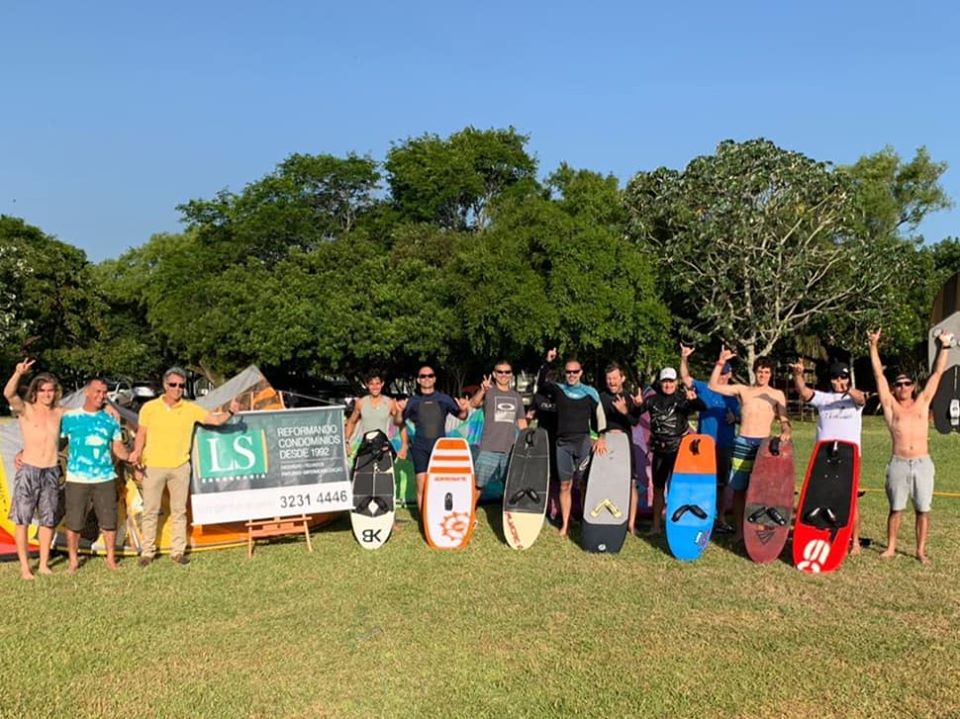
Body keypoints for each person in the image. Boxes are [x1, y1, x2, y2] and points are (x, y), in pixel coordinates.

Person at [128, 367, 239, 567]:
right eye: (173, 385)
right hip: (152, 466)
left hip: (180, 467)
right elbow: (141, 434)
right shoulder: (149, 408)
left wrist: (230, 412)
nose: (177, 389)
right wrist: (137, 453)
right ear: (165, 385)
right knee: (150, 511)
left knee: (179, 511)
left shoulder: (190, 408)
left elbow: (215, 420)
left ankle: (178, 552)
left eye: (181, 385)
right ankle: (147, 552)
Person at [869, 328, 953, 564]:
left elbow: (937, 374)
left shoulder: (923, 403)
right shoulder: (891, 407)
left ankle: (920, 551)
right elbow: (878, 376)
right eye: (899, 384)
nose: (903, 387)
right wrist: (873, 346)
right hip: (898, 463)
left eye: (907, 384)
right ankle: (891, 547)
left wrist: (945, 346)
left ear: (913, 386)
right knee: (896, 509)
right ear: (894, 388)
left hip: (922, 463)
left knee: (923, 510)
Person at [708, 346, 791, 544]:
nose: (763, 375)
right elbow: (713, 386)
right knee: (739, 489)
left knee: (763, 490)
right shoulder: (744, 390)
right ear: (754, 372)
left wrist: (786, 430)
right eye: (760, 371)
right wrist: (721, 362)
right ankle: (739, 531)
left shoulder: (777, 394)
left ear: (771, 374)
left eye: (766, 372)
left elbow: (784, 420)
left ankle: (760, 530)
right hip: (743, 442)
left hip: (764, 446)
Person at [790, 359, 866, 553]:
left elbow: (861, 399)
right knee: (820, 496)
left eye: (843, 377)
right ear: (830, 379)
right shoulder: (823, 399)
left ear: (848, 379)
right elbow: (804, 392)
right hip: (824, 455)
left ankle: (855, 542)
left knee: (850, 500)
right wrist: (798, 375)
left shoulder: (854, 399)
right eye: (835, 377)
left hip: (849, 456)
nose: (839, 381)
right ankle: (819, 535)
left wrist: (847, 389)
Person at [60, 377, 131, 573]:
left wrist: (132, 458)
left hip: (105, 478)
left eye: (104, 392)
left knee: (109, 522)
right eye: (97, 391)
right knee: (74, 522)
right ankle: (73, 561)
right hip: (77, 479)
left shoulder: (111, 419)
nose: (101, 396)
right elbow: (53, 441)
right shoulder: (70, 417)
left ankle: (111, 560)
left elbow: (118, 448)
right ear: (86, 392)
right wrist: (23, 453)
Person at [536, 349, 607, 537]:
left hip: (582, 443)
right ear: (565, 373)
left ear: (581, 373)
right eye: (568, 372)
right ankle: (565, 524)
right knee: (564, 485)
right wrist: (548, 362)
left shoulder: (590, 392)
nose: (572, 375)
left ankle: (586, 521)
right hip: (563, 445)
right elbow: (541, 385)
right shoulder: (559, 389)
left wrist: (601, 436)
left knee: (584, 485)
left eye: (575, 371)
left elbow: (600, 415)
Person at [3, 360, 63, 580]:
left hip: (51, 471)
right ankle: (25, 568)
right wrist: (18, 373)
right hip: (29, 470)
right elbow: (9, 394)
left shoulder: (60, 413)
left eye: (50, 390)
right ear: (35, 392)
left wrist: (109, 409)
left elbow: (86, 412)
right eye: (42, 390)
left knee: (48, 520)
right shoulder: (26, 409)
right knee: (23, 520)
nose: (47, 394)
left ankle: (44, 564)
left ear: (55, 392)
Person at [632, 367, 705, 536]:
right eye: (665, 381)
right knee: (658, 489)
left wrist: (694, 400)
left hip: (679, 450)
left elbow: (703, 407)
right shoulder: (652, 400)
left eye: (671, 381)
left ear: (676, 382)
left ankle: (678, 525)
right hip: (659, 451)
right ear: (660, 382)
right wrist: (637, 405)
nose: (668, 385)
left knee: (679, 488)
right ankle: (656, 526)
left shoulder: (682, 399)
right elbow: (634, 417)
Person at [679, 344, 740, 532]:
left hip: (724, 444)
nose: (722, 377)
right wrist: (684, 358)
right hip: (704, 445)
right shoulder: (705, 388)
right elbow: (685, 378)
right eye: (720, 372)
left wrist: (735, 418)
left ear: (729, 375)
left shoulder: (733, 397)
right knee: (702, 482)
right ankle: (701, 516)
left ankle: (720, 519)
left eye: (725, 374)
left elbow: (744, 417)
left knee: (722, 484)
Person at [396, 366, 469, 514]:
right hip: (420, 448)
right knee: (422, 485)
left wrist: (464, 409)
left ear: (434, 378)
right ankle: (424, 520)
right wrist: (399, 411)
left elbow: (462, 417)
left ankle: (439, 516)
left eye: (430, 375)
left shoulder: (444, 399)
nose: (427, 379)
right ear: (418, 380)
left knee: (441, 485)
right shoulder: (413, 401)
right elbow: (398, 422)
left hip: (440, 449)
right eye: (423, 376)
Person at [470, 360, 527, 511]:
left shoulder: (516, 397)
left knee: (510, 485)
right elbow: (473, 404)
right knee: (478, 485)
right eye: (500, 372)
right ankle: (468, 514)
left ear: (511, 374)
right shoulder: (489, 392)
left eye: (507, 372)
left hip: (510, 450)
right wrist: (482, 390)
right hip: (489, 448)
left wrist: (526, 444)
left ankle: (509, 516)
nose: (503, 375)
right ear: (494, 374)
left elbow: (522, 422)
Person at [598, 363, 643, 535]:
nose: (612, 382)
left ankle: (631, 524)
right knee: (605, 482)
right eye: (609, 378)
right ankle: (607, 517)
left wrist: (627, 411)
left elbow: (635, 422)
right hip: (606, 443)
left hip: (625, 444)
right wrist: (600, 437)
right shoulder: (601, 397)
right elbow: (595, 422)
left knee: (631, 483)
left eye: (615, 378)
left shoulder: (629, 397)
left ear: (622, 378)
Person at [344, 371, 408, 460]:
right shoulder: (361, 403)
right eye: (371, 384)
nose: (375, 387)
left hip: (383, 446)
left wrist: (404, 446)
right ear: (367, 385)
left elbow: (401, 424)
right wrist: (346, 442)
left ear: (382, 384)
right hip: (366, 446)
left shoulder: (389, 403)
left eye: (377, 383)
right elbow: (351, 422)